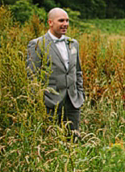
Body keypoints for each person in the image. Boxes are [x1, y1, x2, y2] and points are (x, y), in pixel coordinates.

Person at [26, 8, 85, 137]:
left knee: (74, 140)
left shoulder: (73, 43)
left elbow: (78, 72)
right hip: (50, 103)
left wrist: (80, 93)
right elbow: (32, 76)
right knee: (51, 141)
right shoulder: (37, 44)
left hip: (73, 102)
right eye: (61, 21)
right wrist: (40, 101)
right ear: (50, 22)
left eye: (67, 21)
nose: (65, 24)